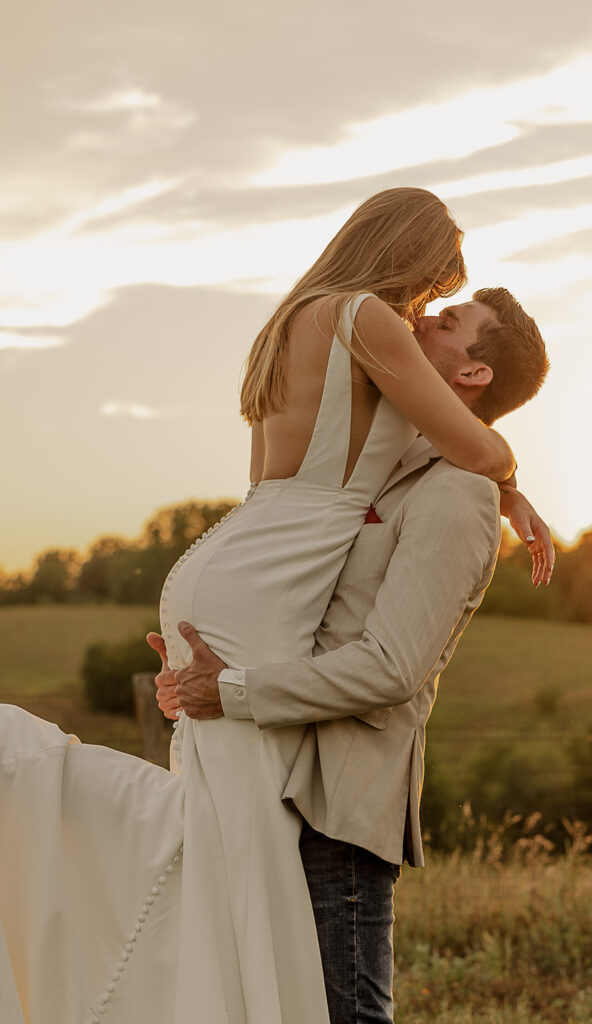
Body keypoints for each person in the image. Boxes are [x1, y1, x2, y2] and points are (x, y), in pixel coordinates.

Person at [0, 188, 525, 1024]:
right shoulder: (370, 317)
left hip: (234, 555)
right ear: (412, 257)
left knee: (215, 844)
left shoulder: (291, 324)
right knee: (238, 859)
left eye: (441, 311)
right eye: (432, 292)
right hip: (269, 580)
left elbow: (298, 482)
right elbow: (476, 445)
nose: (424, 313)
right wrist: (512, 481)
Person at [150, 287, 551, 1024]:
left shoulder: (458, 496)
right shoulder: (410, 457)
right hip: (280, 776)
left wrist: (229, 690)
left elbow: (389, 669)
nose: (423, 318)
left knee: (347, 1015)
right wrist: (202, 663)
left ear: (473, 375)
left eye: (449, 322)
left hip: (340, 801)